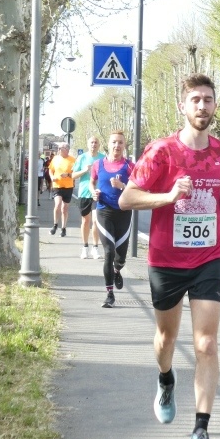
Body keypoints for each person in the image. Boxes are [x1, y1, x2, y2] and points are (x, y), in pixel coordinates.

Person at [119, 73, 220, 439]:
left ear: (215, 105)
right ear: (182, 106)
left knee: (207, 344)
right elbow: (127, 198)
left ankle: (201, 429)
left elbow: (216, 192)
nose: (202, 106)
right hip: (166, 259)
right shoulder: (161, 151)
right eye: (195, 100)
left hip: (209, 256)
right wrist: (168, 197)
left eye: (208, 99)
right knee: (166, 339)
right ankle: (166, 379)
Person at [90, 131, 133, 308]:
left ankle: (117, 270)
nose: (117, 146)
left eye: (120, 142)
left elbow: (137, 188)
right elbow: (92, 182)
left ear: (124, 145)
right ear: (108, 144)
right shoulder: (98, 164)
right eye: (114, 142)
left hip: (124, 212)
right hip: (104, 211)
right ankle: (109, 294)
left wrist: (122, 186)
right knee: (109, 251)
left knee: (120, 257)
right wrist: (94, 192)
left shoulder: (130, 166)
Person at [72, 135, 105, 260]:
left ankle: (95, 248)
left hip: (98, 193)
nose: (93, 145)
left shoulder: (103, 158)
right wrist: (84, 170)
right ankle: (85, 247)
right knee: (86, 221)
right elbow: (73, 176)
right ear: (88, 144)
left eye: (96, 142)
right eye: (91, 142)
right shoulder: (82, 157)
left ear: (99, 145)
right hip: (84, 193)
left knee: (96, 221)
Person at [48, 142, 76, 237]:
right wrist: (52, 177)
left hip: (68, 186)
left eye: (60, 148)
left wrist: (68, 174)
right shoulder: (55, 158)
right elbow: (50, 170)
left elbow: (76, 173)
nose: (58, 150)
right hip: (57, 185)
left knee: (64, 208)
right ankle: (55, 225)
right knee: (58, 204)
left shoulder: (72, 160)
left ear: (66, 149)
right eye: (58, 148)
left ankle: (63, 228)